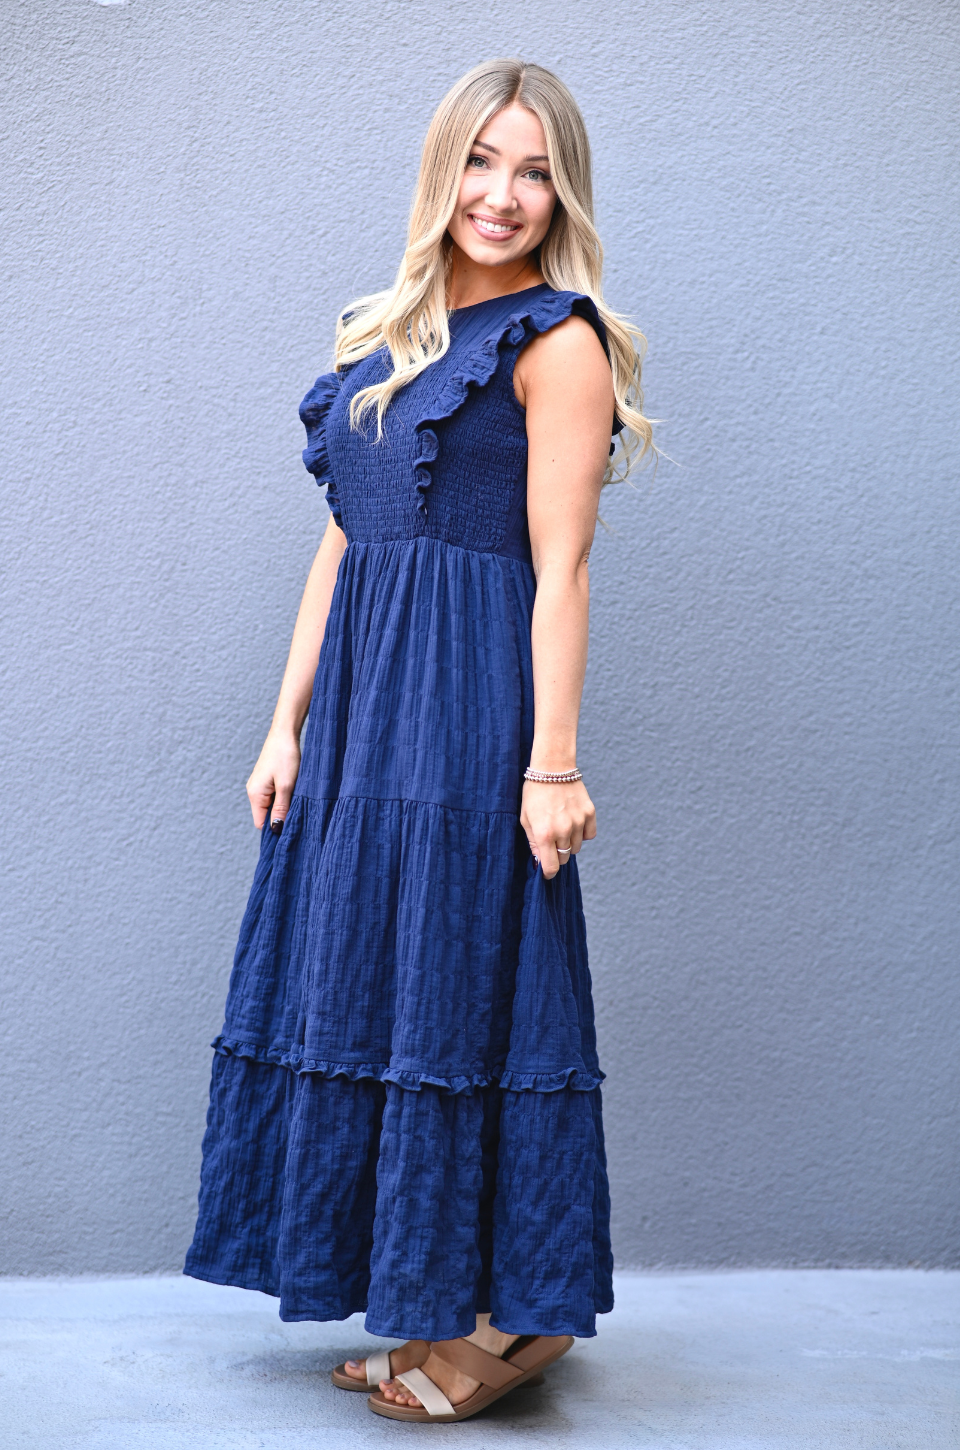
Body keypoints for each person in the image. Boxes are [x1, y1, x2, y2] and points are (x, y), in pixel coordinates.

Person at [184, 56, 652, 1423]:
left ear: (561, 191)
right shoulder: (387, 336)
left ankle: (514, 1319)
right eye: (481, 162)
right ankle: (439, 1298)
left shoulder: (557, 343)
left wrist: (551, 763)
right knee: (381, 985)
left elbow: (562, 569)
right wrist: (283, 730)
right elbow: (341, 548)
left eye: (535, 170)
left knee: (473, 982)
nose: (503, 195)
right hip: (359, 722)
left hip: (468, 711)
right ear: (442, 169)